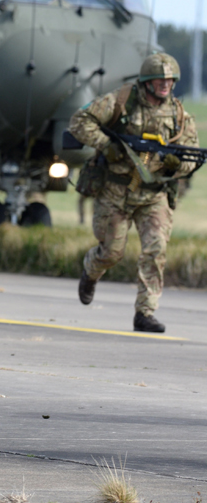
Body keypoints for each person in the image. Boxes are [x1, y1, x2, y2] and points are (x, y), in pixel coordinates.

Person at [68, 53, 198, 333]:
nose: (165, 84)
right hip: (116, 191)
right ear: (147, 82)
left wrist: (176, 165)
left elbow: (191, 155)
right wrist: (107, 145)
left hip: (154, 195)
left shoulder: (178, 114)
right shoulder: (120, 101)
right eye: (159, 80)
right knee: (112, 252)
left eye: (169, 80)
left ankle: (145, 313)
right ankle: (91, 270)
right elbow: (79, 121)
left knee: (156, 250)